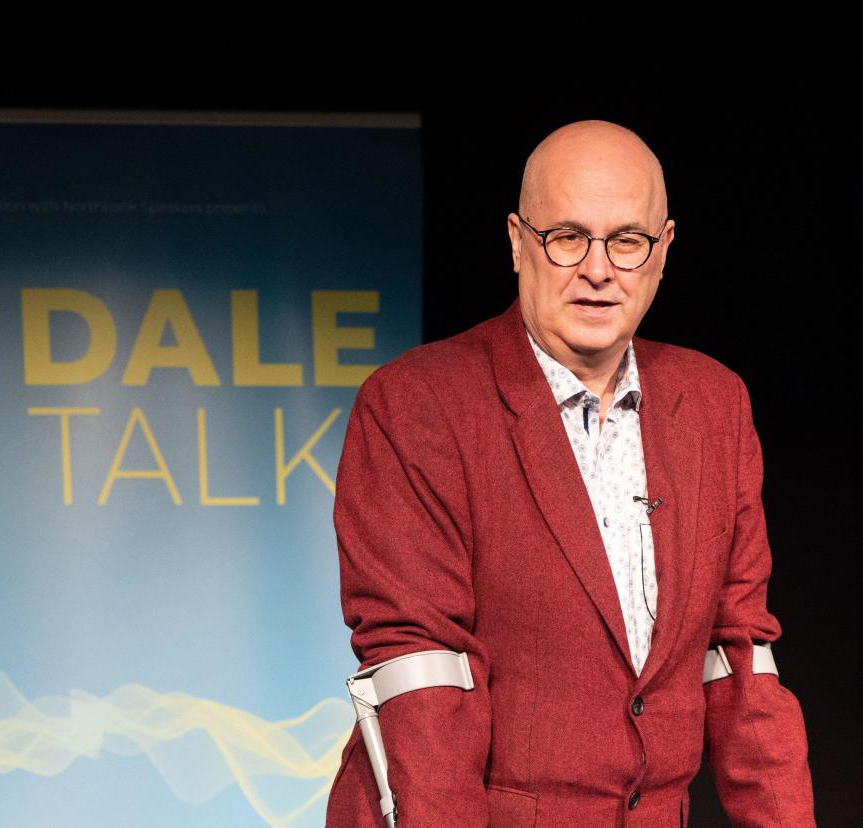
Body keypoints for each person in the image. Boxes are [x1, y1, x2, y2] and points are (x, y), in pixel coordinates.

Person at [325, 120, 815, 826]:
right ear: (518, 242)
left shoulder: (715, 404)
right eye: (567, 237)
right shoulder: (418, 405)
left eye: (626, 241)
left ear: (663, 251)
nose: (598, 268)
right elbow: (420, 685)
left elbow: (739, 658)